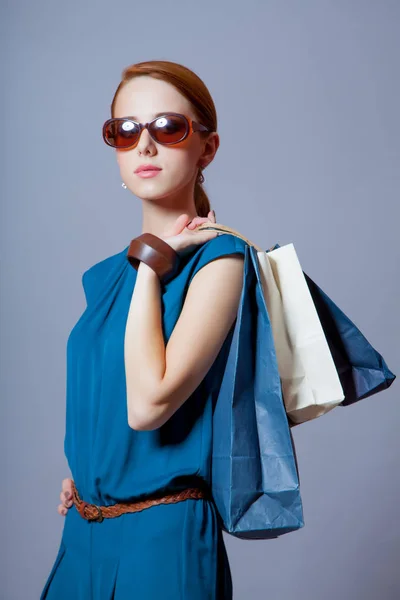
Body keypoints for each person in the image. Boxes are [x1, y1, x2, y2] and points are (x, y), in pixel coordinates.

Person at [40, 60, 249, 599]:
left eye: (169, 127)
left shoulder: (221, 261)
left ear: (207, 147)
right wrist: (92, 472)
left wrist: (153, 268)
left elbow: (148, 405)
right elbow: (104, 399)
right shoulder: (107, 277)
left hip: (161, 543)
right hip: (83, 530)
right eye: (125, 130)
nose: (145, 146)